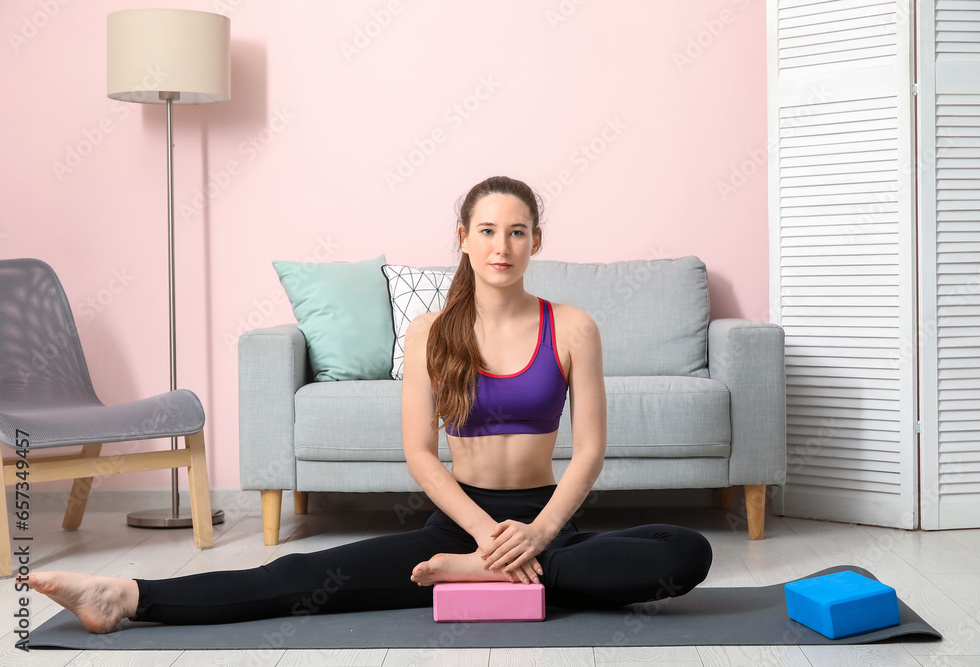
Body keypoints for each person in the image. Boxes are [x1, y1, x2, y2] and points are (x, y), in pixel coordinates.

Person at [28, 175, 712, 633]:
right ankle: (126, 595)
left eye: (517, 231)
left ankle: (492, 574)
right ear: (463, 237)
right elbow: (420, 451)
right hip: (456, 526)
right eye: (487, 230)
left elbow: (588, 450)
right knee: (296, 576)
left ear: (537, 240)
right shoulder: (430, 333)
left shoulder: (574, 325)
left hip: (545, 522)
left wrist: (534, 535)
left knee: (684, 551)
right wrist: (481, 536)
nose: (502, 246)